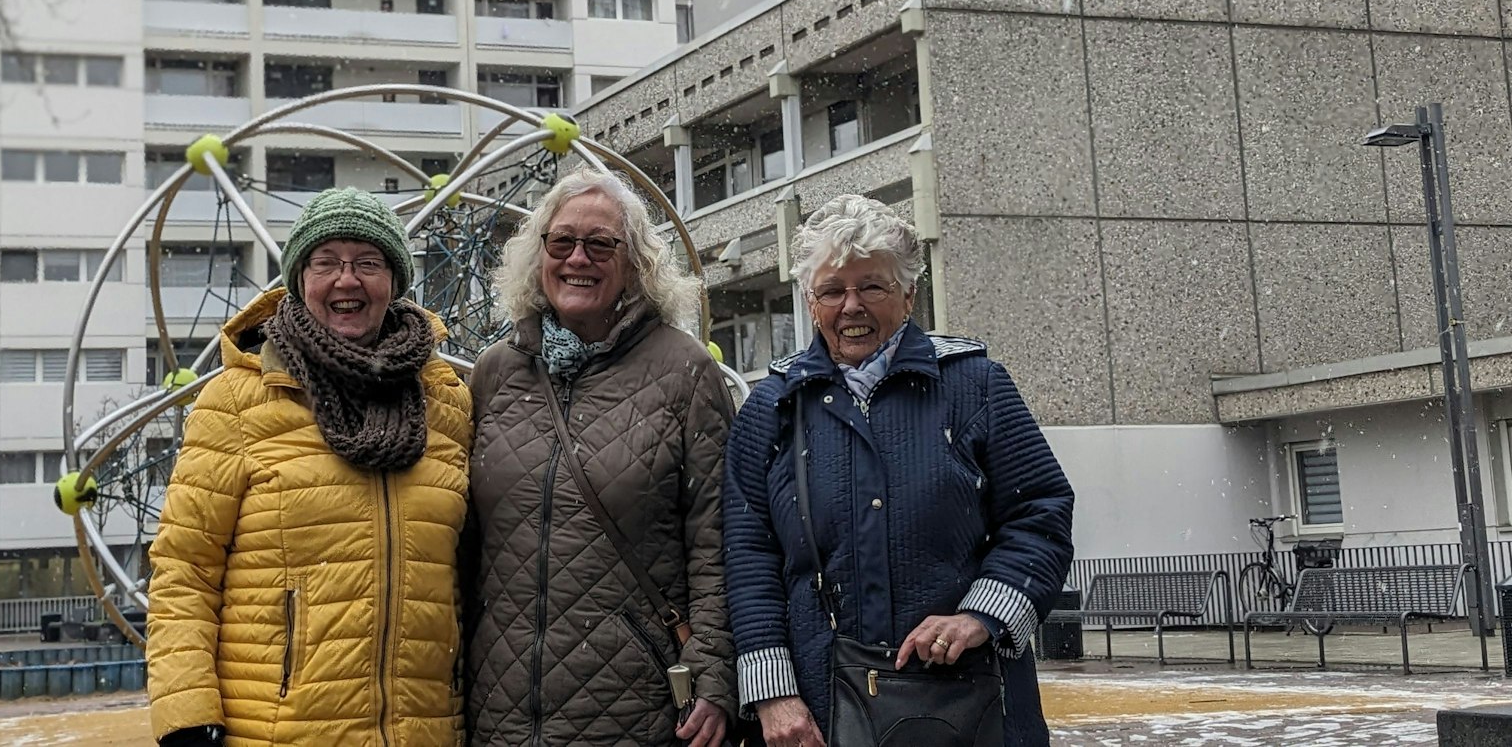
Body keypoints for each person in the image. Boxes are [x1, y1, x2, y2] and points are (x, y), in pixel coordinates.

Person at [723, 195, 1074, 747]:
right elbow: (748, 558)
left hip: (970, 703)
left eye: (873, 286)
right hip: (818, 711)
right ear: (810, 302)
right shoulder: (771, 408)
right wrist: (772, 694)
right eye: (833, 290)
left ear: (909, 295)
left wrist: (980, 617)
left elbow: (1040, 514)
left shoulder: (975, 386)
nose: (851, 306)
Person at [146, 188, 471, 747]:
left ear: (394, 282)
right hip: (278, 731)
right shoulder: (237, 401)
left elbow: (469, 577)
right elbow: (185, 570)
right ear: (299, 279)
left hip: (426, 731)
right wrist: (186, 716)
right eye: (326, 263)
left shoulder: (446, 403)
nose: (347, 281)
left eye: (368, 263)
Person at [465, 168, 736, 747]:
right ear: (539, 257)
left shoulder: (683, 371)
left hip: (634, 702)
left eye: (600, 244)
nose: (577, 259)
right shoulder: (496, 372)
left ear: (635, 261)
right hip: (500, 703)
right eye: (561, 243)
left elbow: (718, 539)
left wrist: (714, 674)